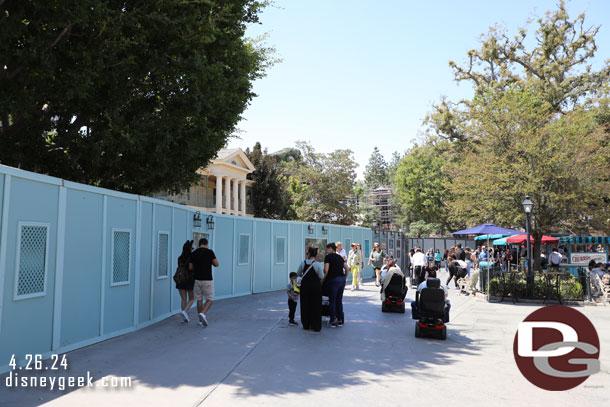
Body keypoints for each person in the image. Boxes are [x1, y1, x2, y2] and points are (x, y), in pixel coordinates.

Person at [188, 238, 219, 327]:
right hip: (207, 279)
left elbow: (190, 268)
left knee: (199, 300)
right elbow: (216, 264)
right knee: (210, 299)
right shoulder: (210, 252)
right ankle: (203, 313)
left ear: (199, 244)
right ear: (206, 244)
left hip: (197, 280)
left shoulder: (194, 253)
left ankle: (200, 320)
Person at [296, 247, 325, 332]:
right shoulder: (317, 264)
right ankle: (315, 325)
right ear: (316, 254)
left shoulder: (303, 263)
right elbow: (321, 276)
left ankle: (306, 324)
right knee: (316, 306)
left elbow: (298, 274)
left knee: (305, 305)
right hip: (315, 287)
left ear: (308, 254)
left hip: (305, 287)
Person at [324, 242, 350, 328]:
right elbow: (347, 268)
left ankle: (332, 320)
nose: (326, 251)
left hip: (332, 280)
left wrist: (323, 279)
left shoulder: (328, 257)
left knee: (332, 300)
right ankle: (340, 320)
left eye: (327, 249)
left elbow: (326, 270)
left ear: (331, 249)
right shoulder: (340, 257)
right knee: (339, 300)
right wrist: (344, 278)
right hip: (341, 280)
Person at [176, 240, 195, 323]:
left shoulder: (180, 258)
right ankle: (185, 312)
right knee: (192, 298)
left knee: (183, 299)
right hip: (189, 280)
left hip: (180, 280)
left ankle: (185, 317)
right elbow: (190, 268)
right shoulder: (191, 257)